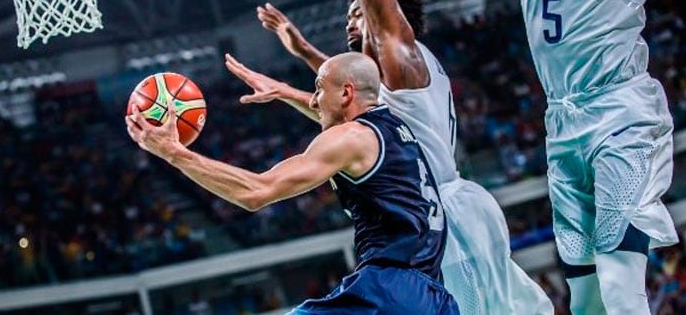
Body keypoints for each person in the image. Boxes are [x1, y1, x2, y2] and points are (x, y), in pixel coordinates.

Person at [218, 0, 686, 314]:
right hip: (558, 126)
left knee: (620, 289)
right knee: (584, 300)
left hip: (602, 121)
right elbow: (353, 100)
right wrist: (296, 78)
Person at [221, 0, 553, 314]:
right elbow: (348, 104)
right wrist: (290, 79)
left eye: (358, 10)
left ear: (387, 15)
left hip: (445, 223)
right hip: (449, 216)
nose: (350, 18)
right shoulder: (394, 81)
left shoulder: (401, 54)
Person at [126, 52, 458, 314]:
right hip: (434, 296)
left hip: (389, 291)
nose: (313, 100)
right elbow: (340, 119)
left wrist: (173, 153)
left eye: (318, 88)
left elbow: (256, 192)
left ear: (346, 93)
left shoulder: (352, 139)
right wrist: (284, 92)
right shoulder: (393, 128)